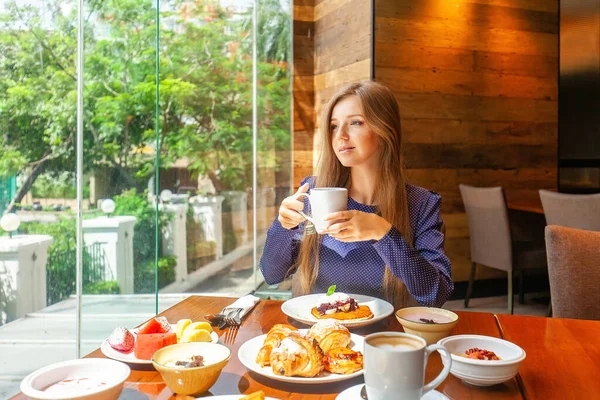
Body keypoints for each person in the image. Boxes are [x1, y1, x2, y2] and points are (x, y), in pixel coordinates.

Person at [259, 81, 452, 308]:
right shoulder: (313, 194)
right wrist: (283, 226)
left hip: (383, 339)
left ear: (385, 129)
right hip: (315, 334)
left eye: (355, 123)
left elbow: (437, 294)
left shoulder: (421, 204)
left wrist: (384, 233)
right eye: (333, 126)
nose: (340, 135)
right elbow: (271, 274)